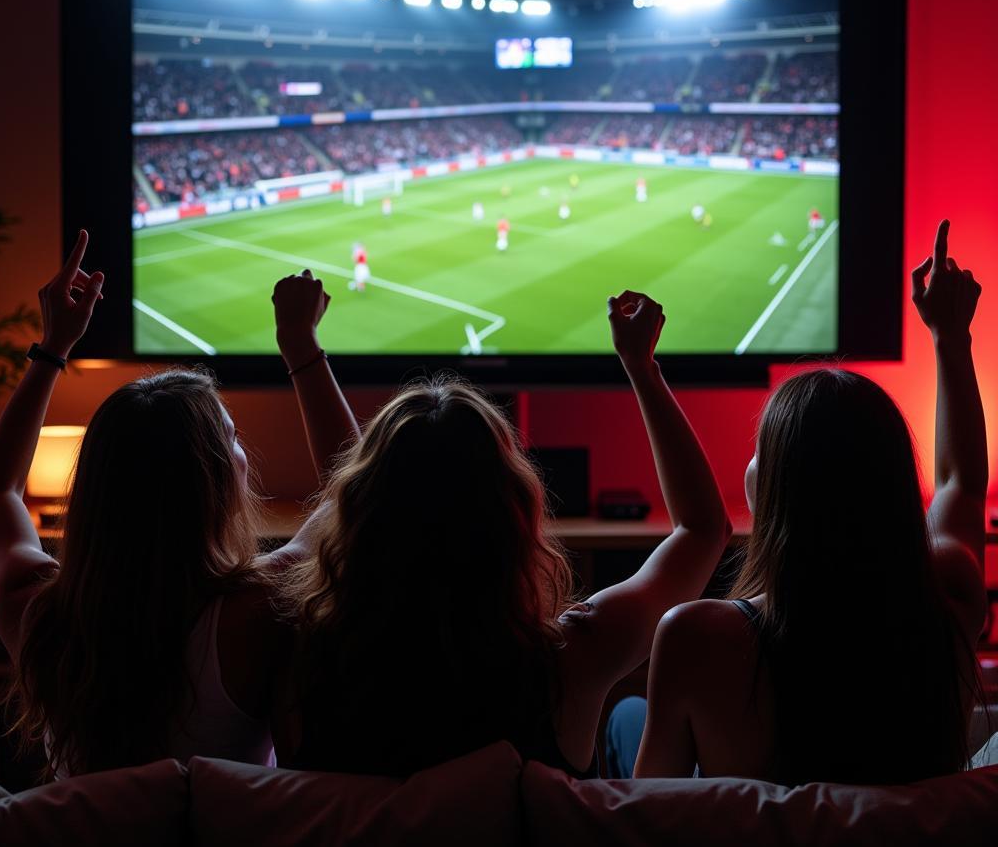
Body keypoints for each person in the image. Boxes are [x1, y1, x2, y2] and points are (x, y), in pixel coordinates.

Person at [271, 280, 732, 777]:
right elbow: (703, 529)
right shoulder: (570, 661)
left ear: (356, 514)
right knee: (628, 719)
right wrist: (641, 365)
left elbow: (355, 497)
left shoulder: (293, 657)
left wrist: (301, 348)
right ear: (515, 513)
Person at [0, 234, 357, 779]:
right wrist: (300, 345)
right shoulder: (259, 609)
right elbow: (350, 485)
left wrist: (52, 348)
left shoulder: (41, 615)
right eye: (233, 440)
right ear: (216, 482)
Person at [626, 219, 986, 786]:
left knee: (626, 718)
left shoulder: (693, 637)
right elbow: (961, 484)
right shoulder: (951, 597)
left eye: (757, 453)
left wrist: (640, 366)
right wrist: (951, 336)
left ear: (776, 490)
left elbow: (645, 820)